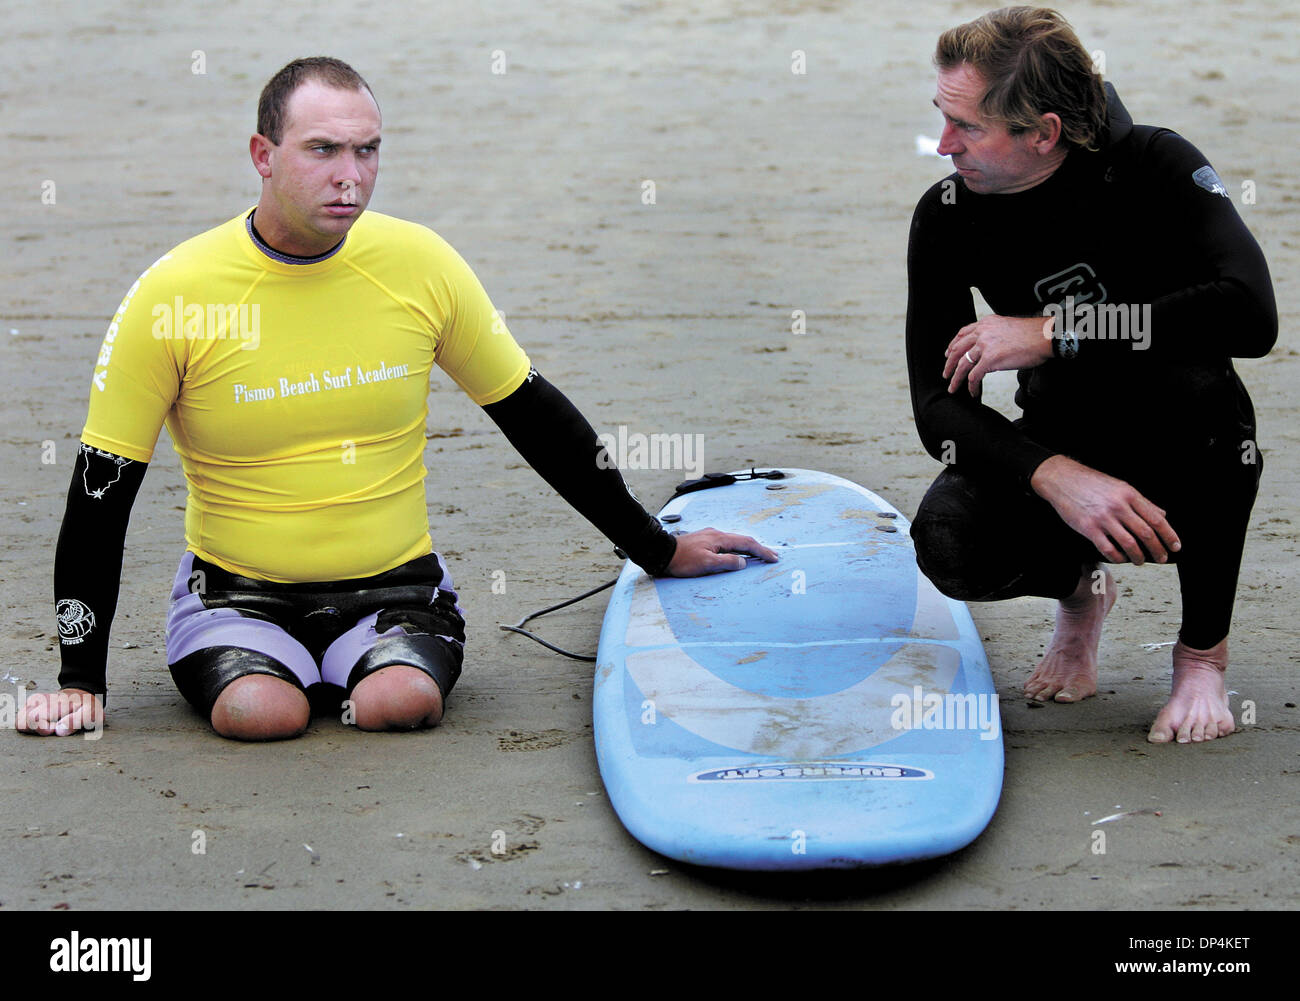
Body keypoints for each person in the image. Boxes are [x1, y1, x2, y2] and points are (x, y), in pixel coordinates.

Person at [20, 57, 776, 742]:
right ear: (263, 155)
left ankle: (365, 667)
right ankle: (279, 668)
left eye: (367, 149)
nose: (350, 175)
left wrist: (656, 546)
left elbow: (535, 416)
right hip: (235, 597)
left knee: (400, 705)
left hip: (395, 588)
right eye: (323, 150)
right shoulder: (176, 294)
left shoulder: (419, 265)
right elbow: (99, 491)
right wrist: (79, 679)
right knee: (260, 715)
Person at [904, 7, 1276, 743]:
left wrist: (1056, 333)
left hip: (1188, 433)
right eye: (941, 120)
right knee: (945, 540)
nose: (943, 146)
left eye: (967, 128)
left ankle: (1202, 656)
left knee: (1207, 413)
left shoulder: (1156, 168)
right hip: (1061, 436)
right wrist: (1054, 474)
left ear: (1042, 132)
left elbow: (1250, 315)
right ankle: (1081, 593)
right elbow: (935, 408)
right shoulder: (949, 212)